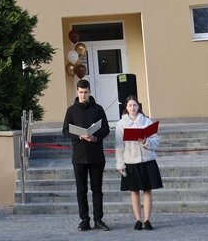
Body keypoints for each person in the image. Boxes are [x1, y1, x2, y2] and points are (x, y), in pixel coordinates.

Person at [62, 78, 111, 231]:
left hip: (96, 155)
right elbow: (65, 130)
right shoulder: (71, 110)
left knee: (97, 189)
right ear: (77, 92)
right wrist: (79, 135)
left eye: (85, 92)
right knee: (81, 190)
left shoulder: (98, 109)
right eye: (80, 92)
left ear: (90, 92)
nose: (83, 95)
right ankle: (84, 220)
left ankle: (98, 219)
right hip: (79, 156)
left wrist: (95, 137)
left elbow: (106, 128)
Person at [115, 95, 163, 230]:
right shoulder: (121, 124)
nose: (132, 108)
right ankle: (138, 220)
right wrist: (120, 164)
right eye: (130, 105)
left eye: (135, 105)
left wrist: (145, 141)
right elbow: (119, 146)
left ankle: (147, 220)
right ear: (126, 107)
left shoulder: (146, 121)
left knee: (147, 190)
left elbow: (156, 141)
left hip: (147, 160)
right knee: (134, 191)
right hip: (131, 161)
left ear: (138, 106)